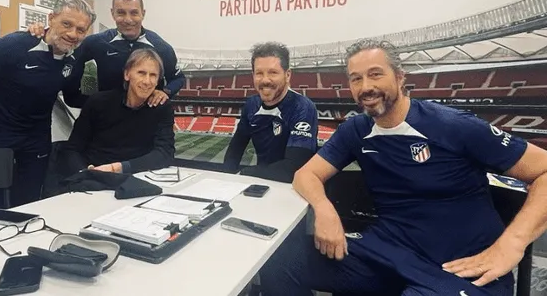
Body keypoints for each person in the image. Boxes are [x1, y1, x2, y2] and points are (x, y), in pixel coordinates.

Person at [259, 38, 547, 296]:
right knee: (278, 260)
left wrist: (512, 244)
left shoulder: (453, 125)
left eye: (375, 74)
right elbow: (305, 174)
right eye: (355, 78)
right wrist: (324, 209)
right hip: (388, 253)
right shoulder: (356, 129)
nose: (366, 87)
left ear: (399, 78)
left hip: (461, 268)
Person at [0, 0, 96, 211]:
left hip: (37, 139)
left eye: (81, 30)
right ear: (51, 19)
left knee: (28, 204)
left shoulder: (75, 59)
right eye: (67, 24)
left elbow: (72, 97)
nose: (72, 34)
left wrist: (100, 90)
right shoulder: (12, 46)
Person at [28, 0, 185, 108]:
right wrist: (41, 33)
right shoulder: (96, 43)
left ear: (143, 14)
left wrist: (165, 92)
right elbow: (64, 55)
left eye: (134, 13)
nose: (128, 19)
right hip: (107, 123)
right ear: (112, 13)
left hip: (146, 121)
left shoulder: (161, 47)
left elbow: (178, 78)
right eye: (121, 13)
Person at [60, 48, 175, 175]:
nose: (147, 81)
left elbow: (165, 153)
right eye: (141, 73)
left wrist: (118, 168)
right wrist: (84, 172)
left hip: (135, 177)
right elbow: (73, 148)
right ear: (127, 74)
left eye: (153, 75)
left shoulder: (162, 108)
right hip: (93, 175)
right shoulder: (98, 102)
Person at [223, 42, 318, 183]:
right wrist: (225, 181)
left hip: (294, 188)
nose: (265, 80)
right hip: (262, 181)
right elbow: (235, 149)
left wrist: (245, 173)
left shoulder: (302, 107)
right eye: (259, 73)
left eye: (273, 72)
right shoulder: (251, 104)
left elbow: (294, 167)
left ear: (287, 75)